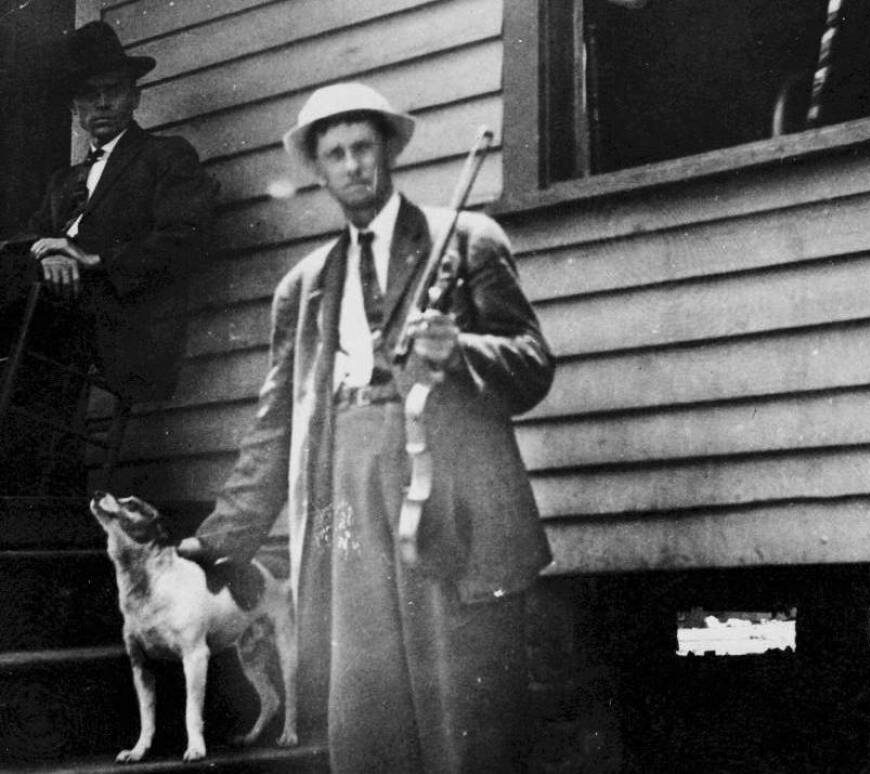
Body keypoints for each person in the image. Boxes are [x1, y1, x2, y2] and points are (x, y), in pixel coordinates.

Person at [177, 82, 554, 772]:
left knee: (465, 711)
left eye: (363, 148)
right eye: (335, 154)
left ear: (387, 153)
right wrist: (221, 538)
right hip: (347, 495)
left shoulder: (466, 241)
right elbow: (276, 425)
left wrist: (461, 350)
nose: (353, 165)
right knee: (369, 708)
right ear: (318, 171)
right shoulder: (305, 285)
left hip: (451, 497)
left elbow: (532, 365)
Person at [0, 21, 217, 493]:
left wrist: (88, 258)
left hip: (120, 319)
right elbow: (28, 240)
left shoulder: (164, 157)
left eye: (113, 91)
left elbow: (187, 235)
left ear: (134, 97)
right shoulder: (63, 182)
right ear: (75, 109)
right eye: (89, 95)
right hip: (55, 314)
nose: (102, 104)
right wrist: (48, 257)